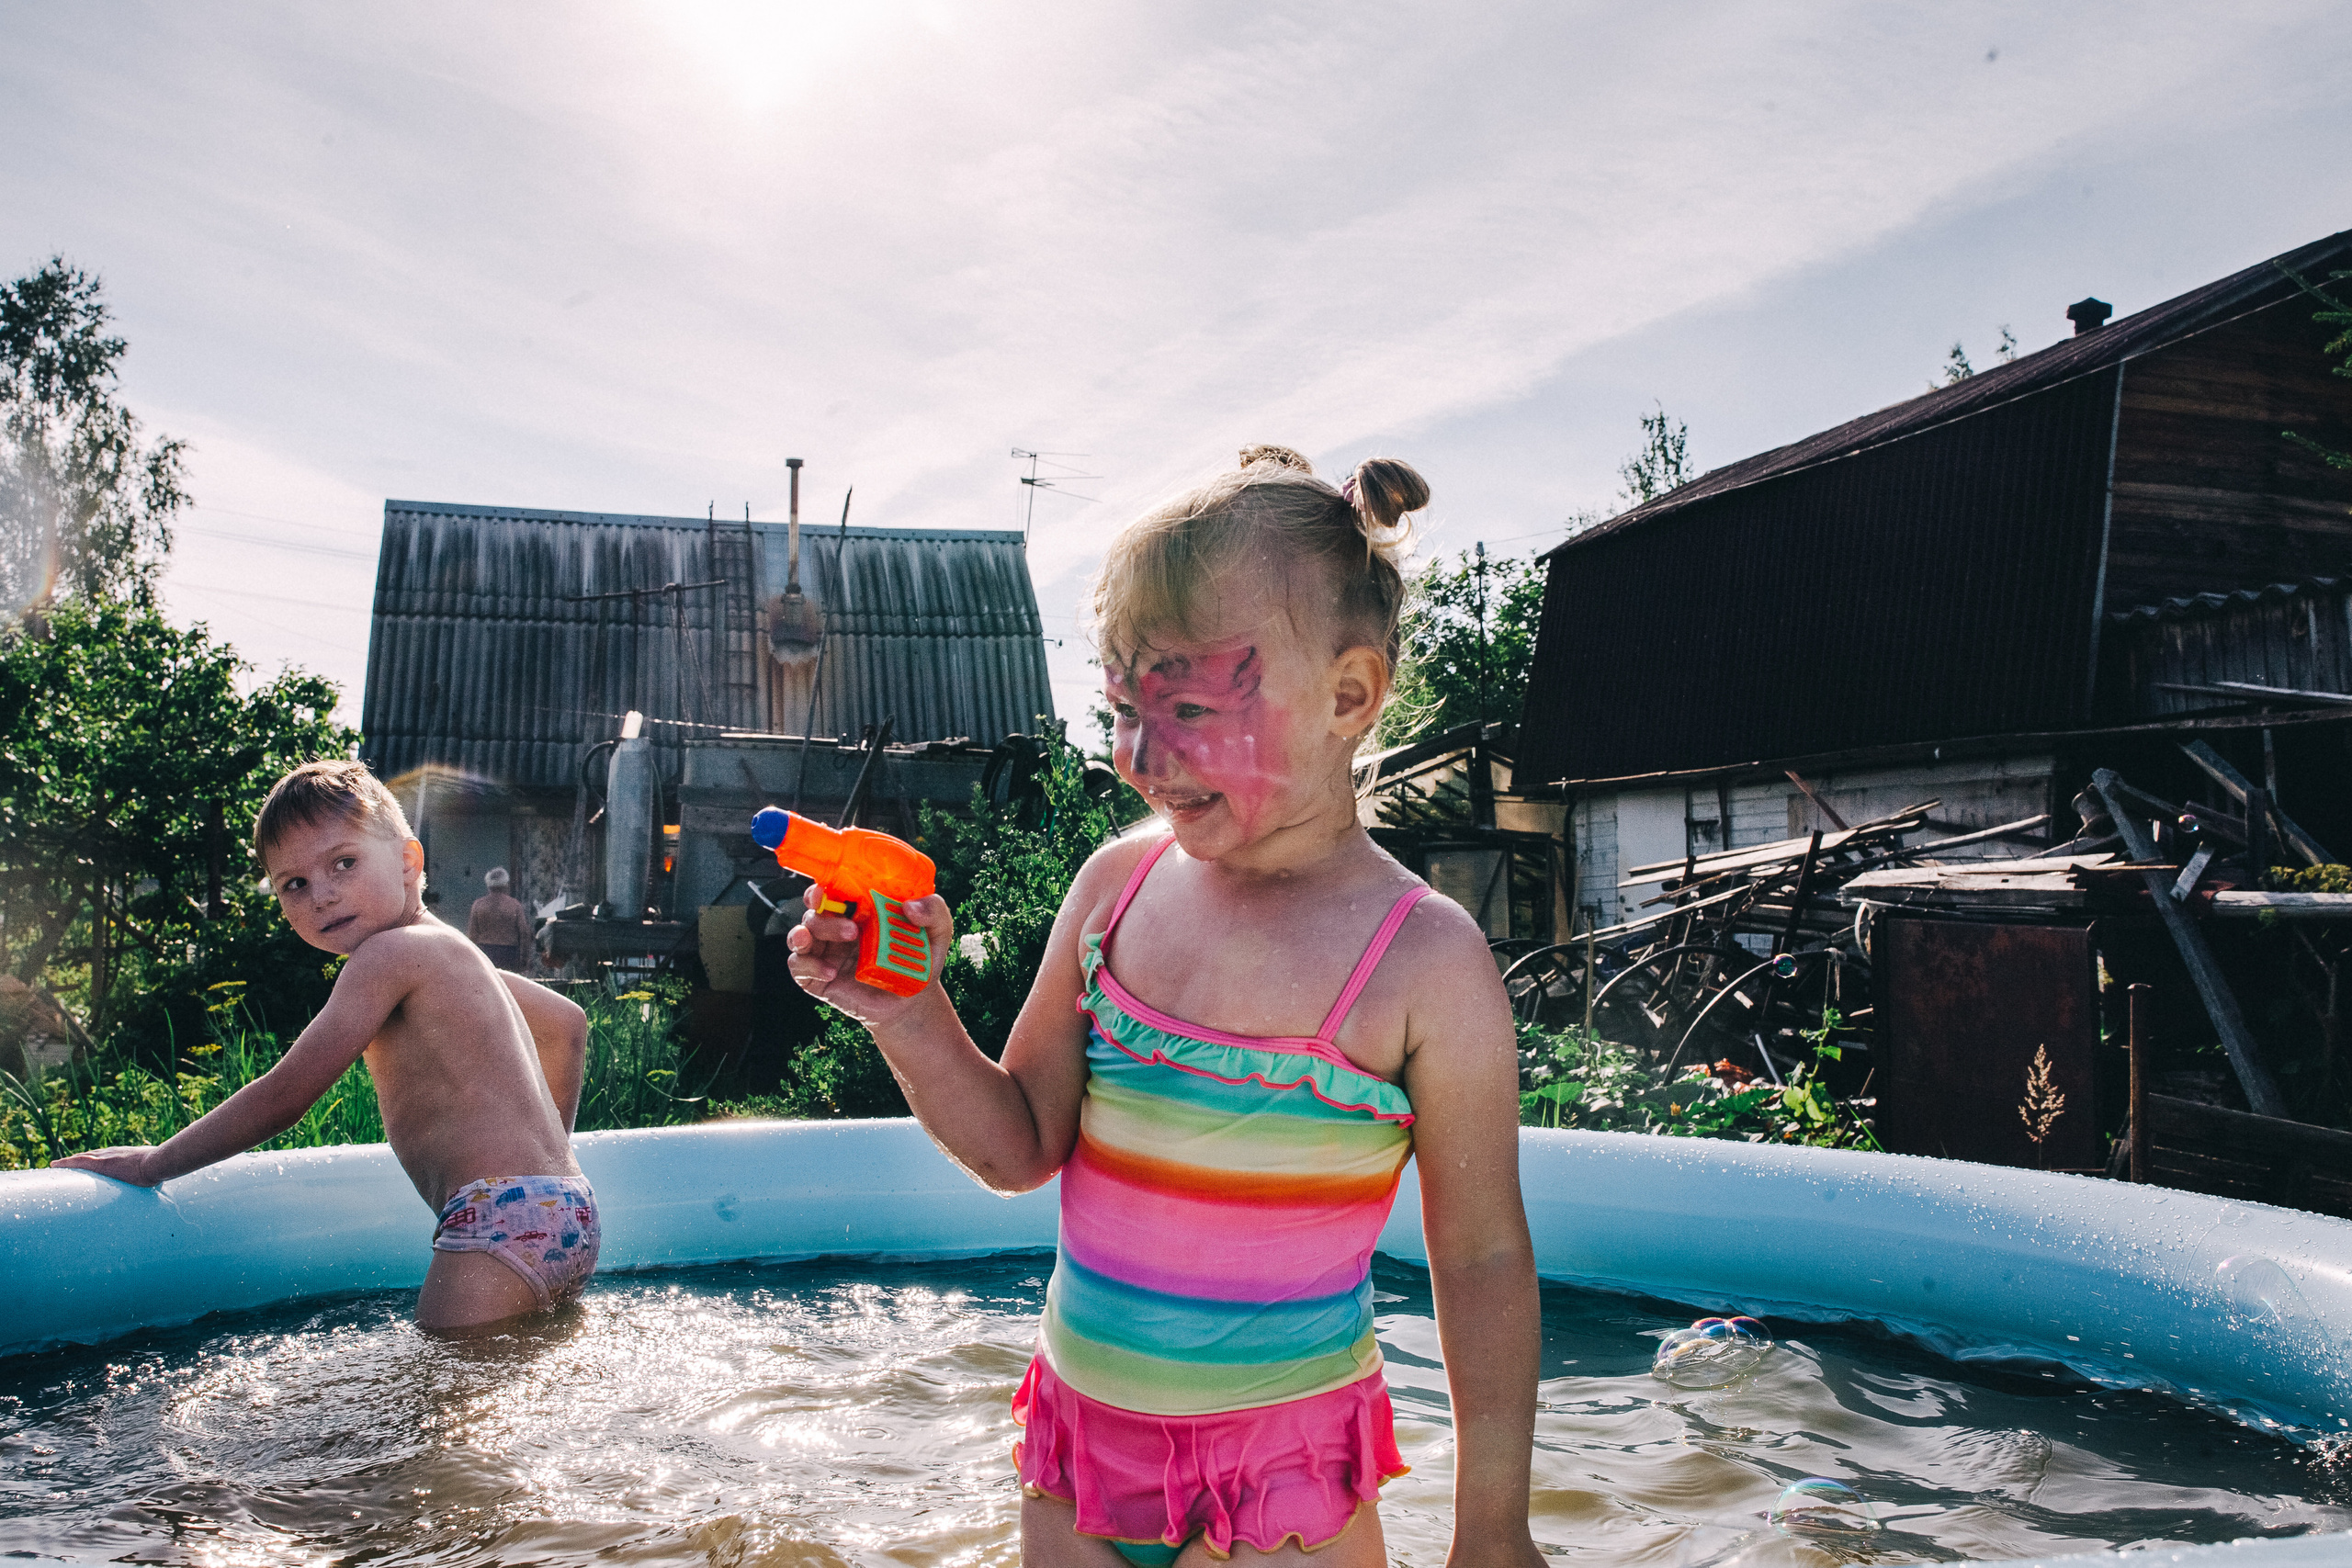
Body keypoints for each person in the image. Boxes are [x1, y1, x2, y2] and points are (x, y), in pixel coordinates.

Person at [789, 449, 1543, 1566]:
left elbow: (1479, 1258)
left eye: (1187, 706)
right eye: (1121, 709)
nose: (1141, 758)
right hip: (1080, 1465)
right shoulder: (1117, 889)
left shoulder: (1421, 960)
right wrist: (907, 1013)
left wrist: (1490, 1529)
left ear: (1347, 695)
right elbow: (1017, 1147)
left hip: (1281, 1483)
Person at [56, 761, 597, 1332]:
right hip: (566, 1205)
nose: (322, 896)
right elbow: (568, 1024)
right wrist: (544, 1180)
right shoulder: (452, 951)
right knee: (512, 1373)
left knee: (437, 1383)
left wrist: (155, 1162)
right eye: (295, 884)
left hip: (495, 1218)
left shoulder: (385, 955)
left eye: (344, 863)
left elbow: (285, 1096)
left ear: (408, 862)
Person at [468, 866, 534, 972]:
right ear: (506, 885)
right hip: (509, 953)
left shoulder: (479, 905)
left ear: (488, 885)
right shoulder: (514, 905)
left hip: (485, 951)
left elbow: (472, 934)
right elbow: (524, 933)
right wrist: (525, 957)